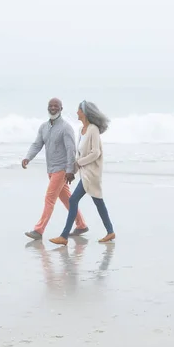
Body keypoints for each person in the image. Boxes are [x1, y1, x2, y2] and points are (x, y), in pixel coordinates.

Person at [50, 100, 116, 245]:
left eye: (79, 110)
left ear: (85, 112)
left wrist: (78, 164)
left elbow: (96, 153)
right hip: (85, 173)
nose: (77, 112)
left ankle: (64, 236)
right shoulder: (81, 129)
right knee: (98, 202)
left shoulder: (93, 129)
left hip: (92, 174)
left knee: (73, 200)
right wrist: (72, 171)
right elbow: (80, 154)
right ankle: (110, 231)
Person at [22, 97, 89, 240]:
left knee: (49, 198)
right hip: (51, 169)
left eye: (56, 106)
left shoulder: (66, 128)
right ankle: (81, 224)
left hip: (62, 169)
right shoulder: (43, 127)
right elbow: (37, 144)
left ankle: (38, 230)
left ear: (61, 109)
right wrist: (28, 157)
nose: (53, 108)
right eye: (50, 106)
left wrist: (70, 170)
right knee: (67, 200)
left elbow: (71, 150)